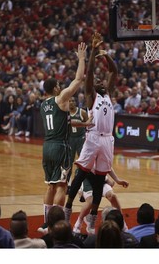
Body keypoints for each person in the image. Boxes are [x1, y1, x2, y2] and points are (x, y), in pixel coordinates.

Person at [64, 31, 118, 234]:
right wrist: (94, 51)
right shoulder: (90, 96)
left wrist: (105, 54)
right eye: (99, 82)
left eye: (104, 82)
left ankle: (92, 222)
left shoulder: (108, 94)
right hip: (94, 137)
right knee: (80, 176)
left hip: (107, 141)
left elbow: (114, 71)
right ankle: (67, 209)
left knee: (98, 182)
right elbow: (91, 74)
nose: (102, 82)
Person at [39, 42, 87, 233]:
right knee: (61, 186)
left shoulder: (43, 105)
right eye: (59, 85)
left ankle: (45, 223)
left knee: (50, 186)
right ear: (56, 88)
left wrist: (83, 124)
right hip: (61, 147)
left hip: (47, 146)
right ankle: (56, 224)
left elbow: (64, 122)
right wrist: (81, 58)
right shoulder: (61, 99)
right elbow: (78, 80)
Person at [73, 167, 129, 235]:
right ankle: (78, 224)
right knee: (91, 201)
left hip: (99, 177)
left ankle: (122, 222)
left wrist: (117, 180)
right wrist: (79, 189)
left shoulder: (105, 157)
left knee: (112, 196)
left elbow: (108, 166)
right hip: (86, 177)